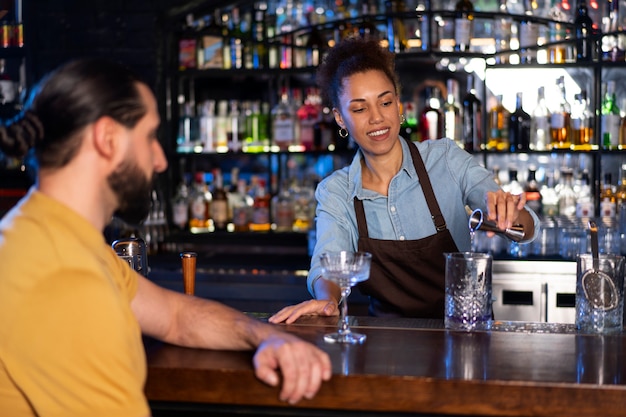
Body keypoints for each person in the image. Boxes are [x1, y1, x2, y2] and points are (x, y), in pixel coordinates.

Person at [0, 58, 331, 416]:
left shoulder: (57, 237)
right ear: (107, 139)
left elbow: (176, 316)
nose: (160, 160)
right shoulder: (60, 274)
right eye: (149, 137)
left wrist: (267, 336)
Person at [269, 36, 540, 323]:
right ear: (339, 118)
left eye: (385, 102)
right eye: (360, 109)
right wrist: (327, 302)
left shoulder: (445, 159)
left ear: (398, 104)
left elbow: (527, 227)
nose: (377, 118)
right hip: (389, 344)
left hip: (464, 334)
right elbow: (327, 265)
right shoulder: (337, 192)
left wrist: (509, 214)